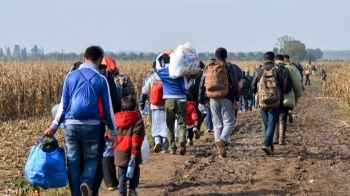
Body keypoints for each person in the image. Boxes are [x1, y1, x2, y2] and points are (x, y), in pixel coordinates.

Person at [45, 46, 118, 196]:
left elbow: (62, 106)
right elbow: (109, 108)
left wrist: (53, 126)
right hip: (92, 126)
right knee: (92, 158)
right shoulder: (101, 79)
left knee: (72, 163)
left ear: (84, 58)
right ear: (99, 60)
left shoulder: (70, 76)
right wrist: (114, 131)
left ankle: (76, 194)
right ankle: (86, 182)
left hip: (71, 126)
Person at [198, 48, 240, 158]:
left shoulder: (208, 67)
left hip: (213, 99)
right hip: (227, 97)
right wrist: (237, 99)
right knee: (229, 122)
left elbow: (202, 85)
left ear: (215, 57)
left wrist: (201, 101)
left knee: (217, 125)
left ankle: (219, 150)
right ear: (226, 57)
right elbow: (234, 83)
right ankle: (222, 140)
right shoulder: (228, 66)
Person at [156, 51, 194, 155]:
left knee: (169, 125)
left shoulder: (162, 72)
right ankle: (182, 140)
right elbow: (185, 87)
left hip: (169, 100)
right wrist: (191, 80)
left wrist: (163, 52)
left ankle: (172, 148)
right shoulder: (180, 71)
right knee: (182, 123)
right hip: (182, 98)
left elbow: (157, 62)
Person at [251, 52, 288, 155]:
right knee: (272, 123)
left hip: (262, 101)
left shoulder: (258, 71)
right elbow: (285, 85)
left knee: (267, 124)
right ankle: (267, 144)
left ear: (264, 60)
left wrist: (258, 94)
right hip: (275, 101)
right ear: (273, 60)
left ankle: (269, 145)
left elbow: (252, 86)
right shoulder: (278, 70)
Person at [114, 96, 145, 196]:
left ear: (122, 109)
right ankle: (132, 189)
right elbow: (137, 138)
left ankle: (122, 193)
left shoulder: (115, 120)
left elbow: (110, 134)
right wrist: (135, 151)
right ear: (135, 108)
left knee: (122, 173)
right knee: (135, 170)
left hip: (120, 152)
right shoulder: (137, 121)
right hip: (132, 152)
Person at [274, 54, 302, 145]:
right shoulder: (291, 69)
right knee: (283, 118)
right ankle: (282, 139)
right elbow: (297, 84)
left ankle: (275, 138)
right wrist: (297, 97)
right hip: (287, 97)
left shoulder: (272, 68)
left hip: (274, 97)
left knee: (275, 118)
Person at [141, 64, 169, 153]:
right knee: (165, 126)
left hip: (154, 106)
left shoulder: (151, 77)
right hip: (165, 105)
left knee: (156, 125)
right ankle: (165, 148)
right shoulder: (167, 77)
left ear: (154, 68)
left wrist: (142, 105)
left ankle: (157, 142)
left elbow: (144, 91)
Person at [187, 61, 206, 135]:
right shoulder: (201, 74)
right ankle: (196, 127)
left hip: (188, 96)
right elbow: (202, 87)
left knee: (189, 113)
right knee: (198, 113)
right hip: (197, 96)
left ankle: (189, 132)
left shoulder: (188, 74)